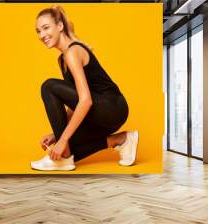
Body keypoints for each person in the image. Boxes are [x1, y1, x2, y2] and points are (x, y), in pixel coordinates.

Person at [31, 5, 139, 171]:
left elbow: (85, 100)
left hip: (113, 107)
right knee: (67, 149)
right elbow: (75, 103)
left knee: (48, 86)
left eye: (46, 28)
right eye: (38, 31)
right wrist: (58, 136)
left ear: (59, 26)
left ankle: (63, 159)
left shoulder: (73, 52)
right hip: (101, 116)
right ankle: (122, 139)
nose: (42, 35)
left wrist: (62, 139)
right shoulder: (62, 59)